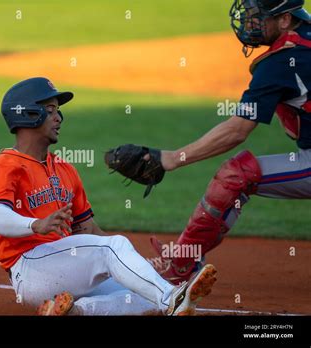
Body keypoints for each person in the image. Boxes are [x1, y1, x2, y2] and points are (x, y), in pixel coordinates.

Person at [106, 0, 311, 285]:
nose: (250, 24)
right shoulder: (303, 43)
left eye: (258, 17)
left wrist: (171, 158)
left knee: (236, 175)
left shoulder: (280, 62)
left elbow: (237, 130)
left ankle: (180, 265)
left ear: (285, 19)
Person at [0, 77, 217, 315]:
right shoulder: (5, 166)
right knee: (115, 247)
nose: (58, 118)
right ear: (28, 115)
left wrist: (139, 265)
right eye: (50, 110)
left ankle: (74, 311)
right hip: (31, 269)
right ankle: (172, 299)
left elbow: (89, 232)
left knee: (142, 292)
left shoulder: (64, 169)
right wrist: (36, 224)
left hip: (66, 268)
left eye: (58, 111)